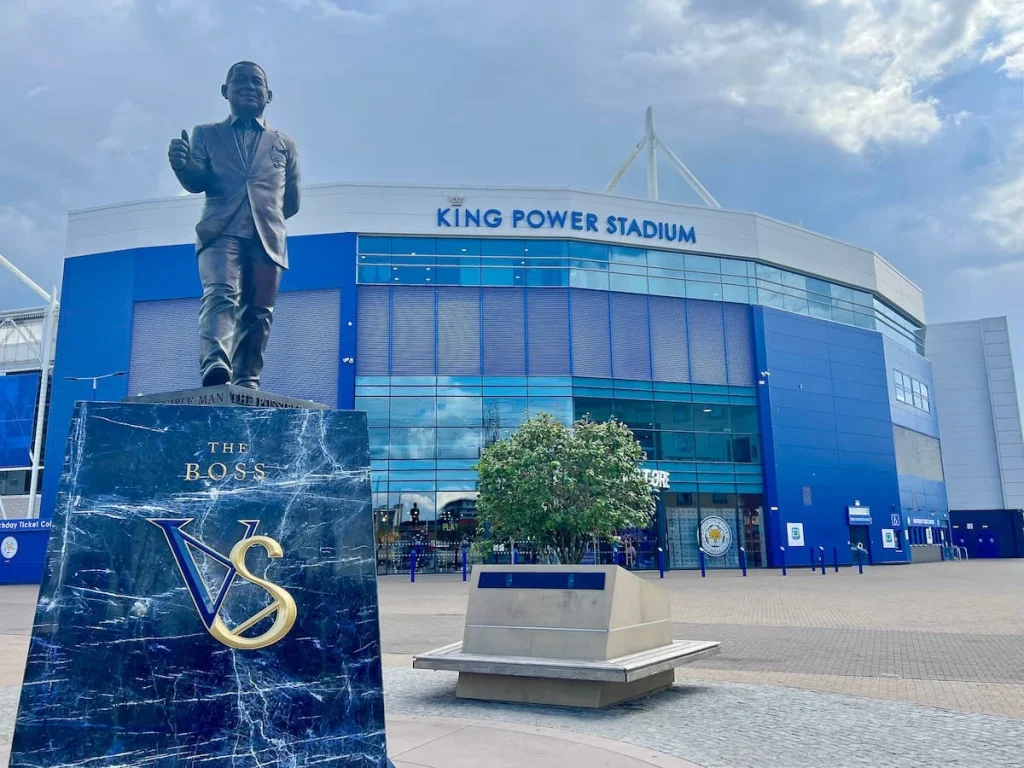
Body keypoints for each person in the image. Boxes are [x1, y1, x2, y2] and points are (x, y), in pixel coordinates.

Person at [168, 61, 300, 389]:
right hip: (219, 228)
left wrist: (266, 212)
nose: (248, 87)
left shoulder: (285, 143)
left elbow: (292, 201)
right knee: (221, 293)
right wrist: (182, 165)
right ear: (225, 91)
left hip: (267, 235)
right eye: (239, 81)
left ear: (268, 95)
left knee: (258, 312)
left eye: (256, 83)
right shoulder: (207, 134)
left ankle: (247, 378)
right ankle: (215, 363)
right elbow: (196, 180)